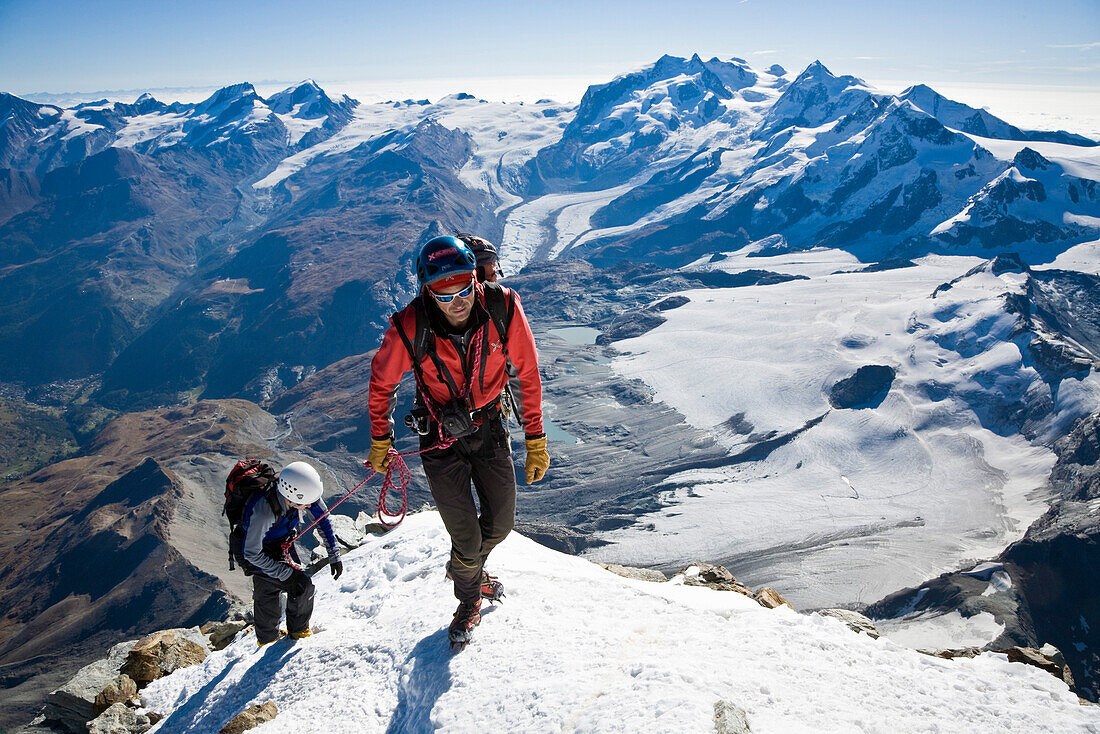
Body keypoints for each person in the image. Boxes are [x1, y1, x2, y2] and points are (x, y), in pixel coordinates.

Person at [367, 235, 550, 645]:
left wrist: (536, 437)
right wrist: (381, 438)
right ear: (426, 289)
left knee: (500, 525)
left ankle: (465, 566)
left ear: (474, 278)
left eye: (464, 286)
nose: (456, 300)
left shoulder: (503, 307)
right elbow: (382, 383)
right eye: (442, 292)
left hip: (488, 429)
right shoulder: (408, 327)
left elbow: (528, 372)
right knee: (467, 537)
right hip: (439, 439)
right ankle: (469, 599)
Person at [240, 460, 344, 646]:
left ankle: (294, 632)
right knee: (274, 591)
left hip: (281, 543)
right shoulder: (265, 511)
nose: (310, 506)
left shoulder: (301, 493)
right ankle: (270, 641)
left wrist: (334, 553)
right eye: (305, 504)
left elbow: (323, 520)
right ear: (292, 498)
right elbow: (252, 553)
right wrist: (286, 573)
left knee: (298, 587)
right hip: (257, 552)